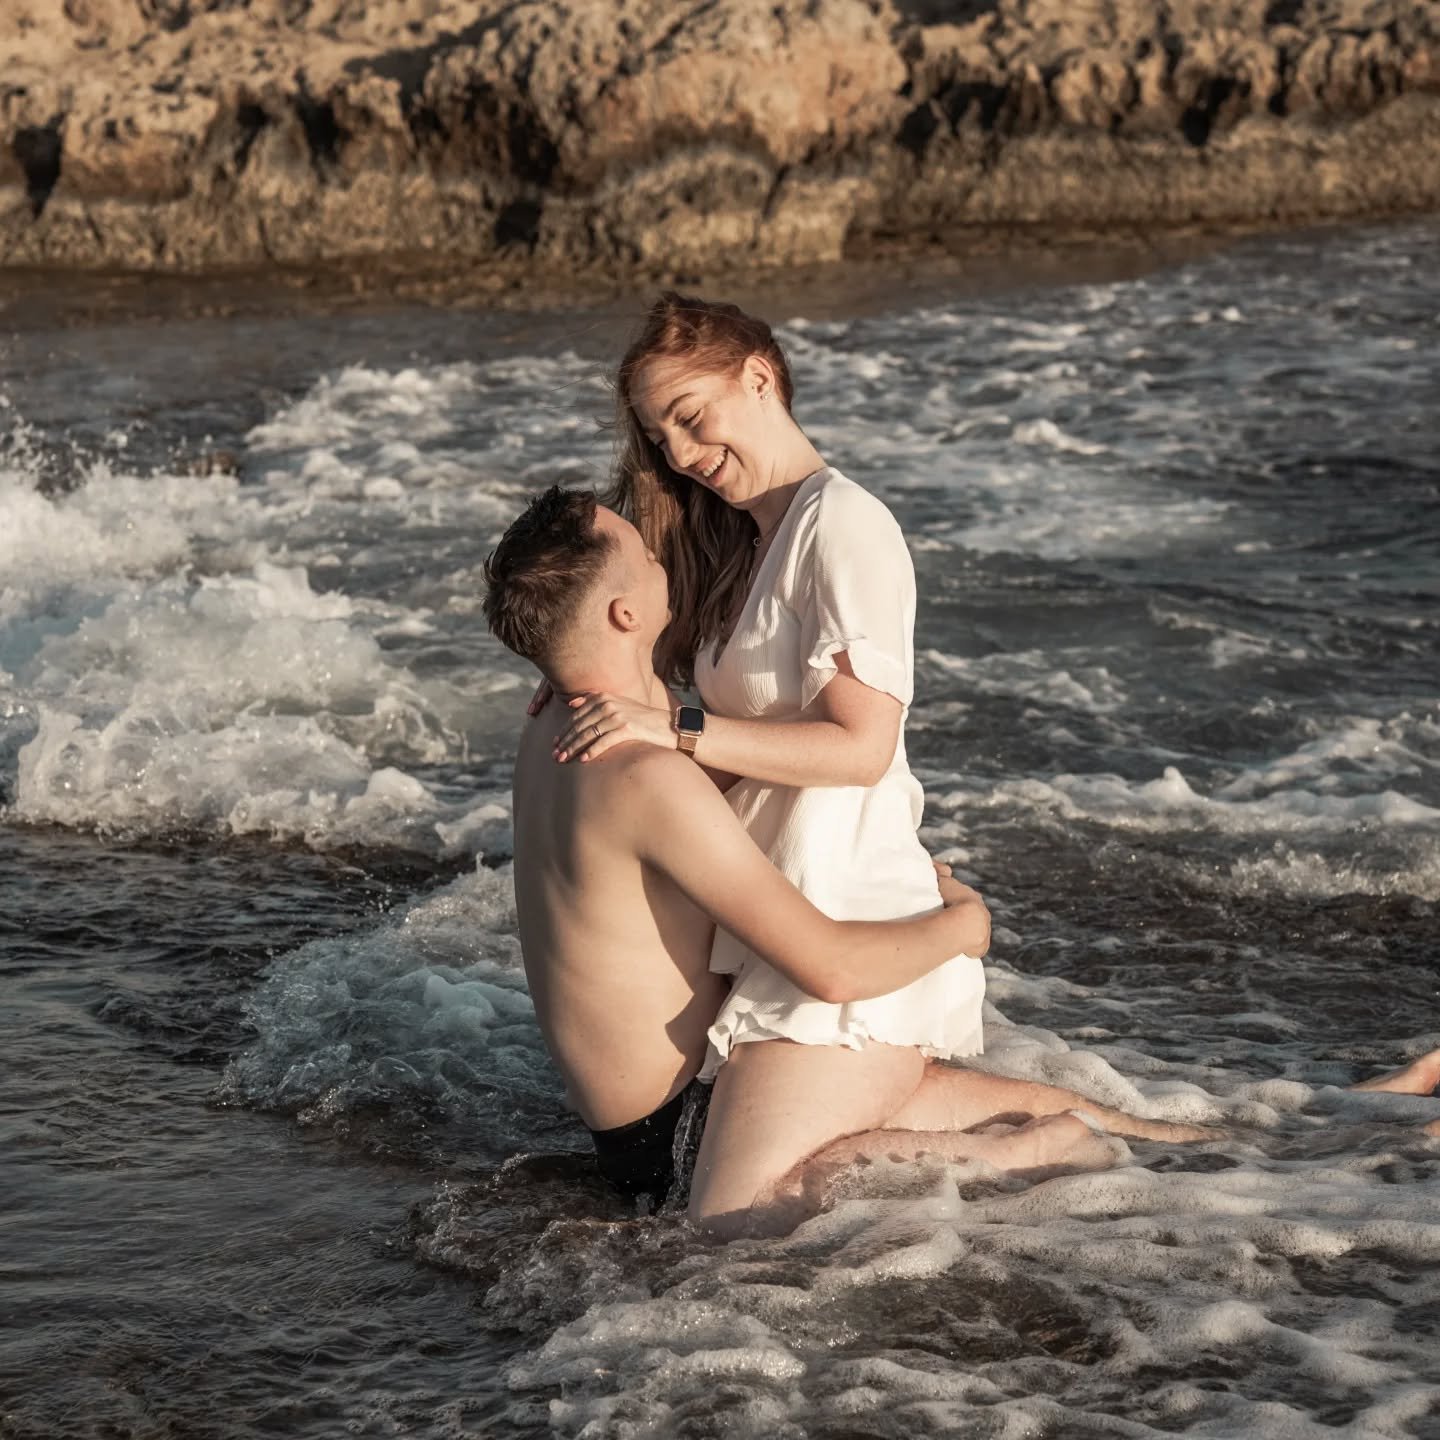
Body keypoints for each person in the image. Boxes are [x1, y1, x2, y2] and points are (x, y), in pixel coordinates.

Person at [540, 293, 1440, 1231]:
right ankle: (1359, 1125)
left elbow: (862, 748)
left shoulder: (843, 526)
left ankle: (1047, 1151)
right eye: (661, 437)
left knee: (732, 1221)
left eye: (691, 417)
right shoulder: (754, 540)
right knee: (1160, 1146)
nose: (681, 453)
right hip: (794, 918)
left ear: (759, 377)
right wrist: (576, 678)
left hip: (845, 919)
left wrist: (678, 729)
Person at [484, 485, 1231, 1220]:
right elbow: (832, 969)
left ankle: (1208, 1140)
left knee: (1123, 1134)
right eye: (647, 554)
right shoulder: (645, 775)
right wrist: (963, 927)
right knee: (739, 1218)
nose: (661, 557)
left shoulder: (553, 725)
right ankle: (1044, 1148)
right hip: (683, 1126)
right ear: (625, 614)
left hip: (635, 1127)